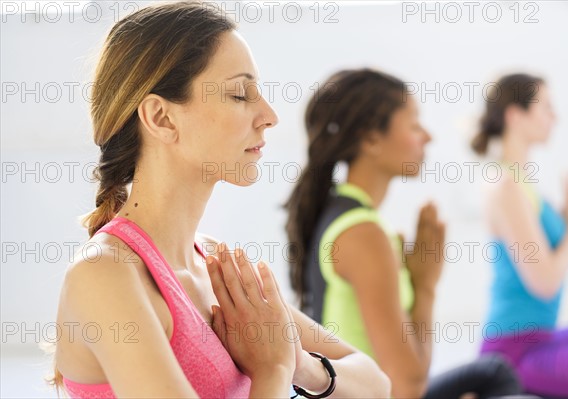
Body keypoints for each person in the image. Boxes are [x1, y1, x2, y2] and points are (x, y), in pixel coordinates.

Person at [49, 2, 391, 398]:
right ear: (161, 117)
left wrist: (300, 364)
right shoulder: (104, 275)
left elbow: (375, 385)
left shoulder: (215, 266)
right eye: (239, 94)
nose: (269, 115)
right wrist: (274, 369)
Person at [285, 68, 522, 399]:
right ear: (370, 139)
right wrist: (425, 285)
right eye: (413, 124)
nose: (428, 136)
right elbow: (408, 388)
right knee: (495, 378)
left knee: (490, 375)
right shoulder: (363, 232)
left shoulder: (348, 215)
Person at [472, 73, 568, 399]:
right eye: (546, 107)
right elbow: (544, 282)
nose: (554, 117)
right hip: (512, 353)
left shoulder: (524, 186)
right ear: (516, 115)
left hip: (542, 339)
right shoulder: (504, 186)